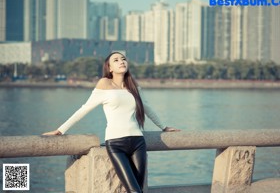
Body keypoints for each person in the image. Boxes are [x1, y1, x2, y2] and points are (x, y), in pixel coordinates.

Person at [43, 52, 180, 193]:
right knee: (134, 191)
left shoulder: (133, 84)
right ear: (110, 68)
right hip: (116, 144)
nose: (121, 61)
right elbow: (84, 109)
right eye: (116, 60)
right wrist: (60, 130)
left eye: (124, 59)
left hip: (138, 142)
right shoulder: (104, 84)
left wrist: (164, 127)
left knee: (139, 189)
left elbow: (147, 108)